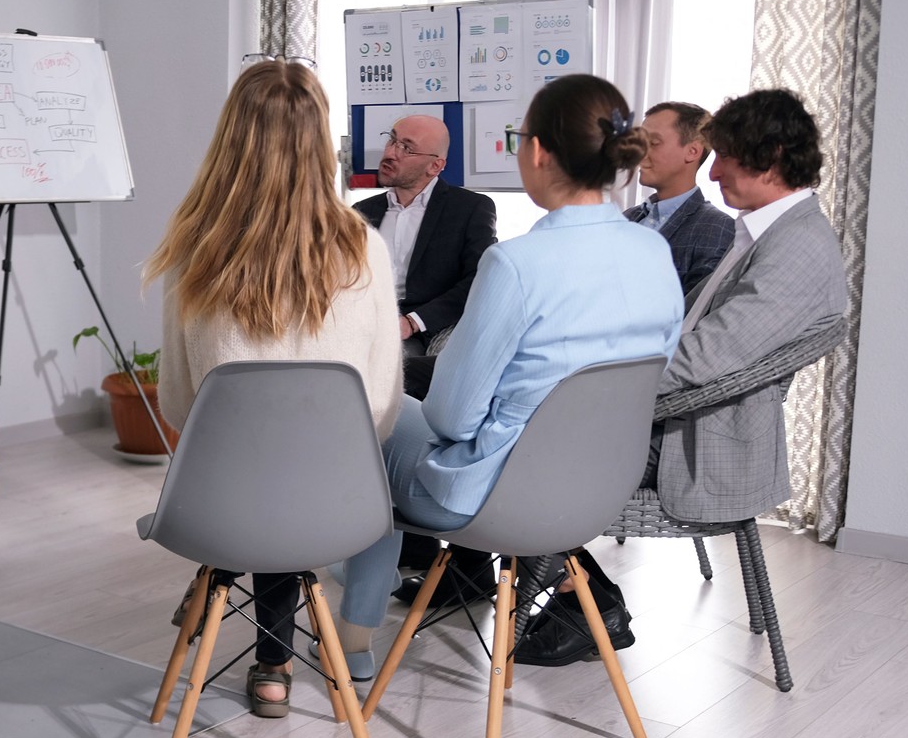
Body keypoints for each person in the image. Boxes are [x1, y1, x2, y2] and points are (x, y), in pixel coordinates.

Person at [335, 74, 685, 678]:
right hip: (597, 490)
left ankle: (352, 639)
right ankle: (357, 598)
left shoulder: (517, 264)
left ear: (539, 151)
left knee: (373, 413)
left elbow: (449, 416)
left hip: (495, 496)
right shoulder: (654, 252)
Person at [148, 60, 402, 718]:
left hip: (218, 503)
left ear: (230, 138)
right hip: (335, 505)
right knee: (294, 473)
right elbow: (381, 407)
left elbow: (178, 404)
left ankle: (246, 618)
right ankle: (272, 661)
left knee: (256, 473)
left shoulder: (191, 249)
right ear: (321, 143)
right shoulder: (365, 248)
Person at [649, 88, 848, 522]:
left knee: (529, 447)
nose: (714, 171)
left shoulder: (798, 247)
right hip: (674, 416)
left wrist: (602, 387)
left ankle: (574, 585)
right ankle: (579, 583)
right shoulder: (767, 232)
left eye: (724, 156)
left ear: (772, 154)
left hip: (693, 436)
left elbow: (704, 358)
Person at [353, 114, 497, 356]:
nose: (391, 153)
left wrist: (412, 322)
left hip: (429, 329)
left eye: (407, 148)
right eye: (392, 141)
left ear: (435, 166)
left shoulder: (469, 209)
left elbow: (479, 281)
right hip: (367, 324)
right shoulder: (361, 212)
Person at [626, 101, 737, 293]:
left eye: (653, 143)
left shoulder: (715, 227)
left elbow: (696, 310)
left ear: (692, 151)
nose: (641, 153)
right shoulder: (626, 218)